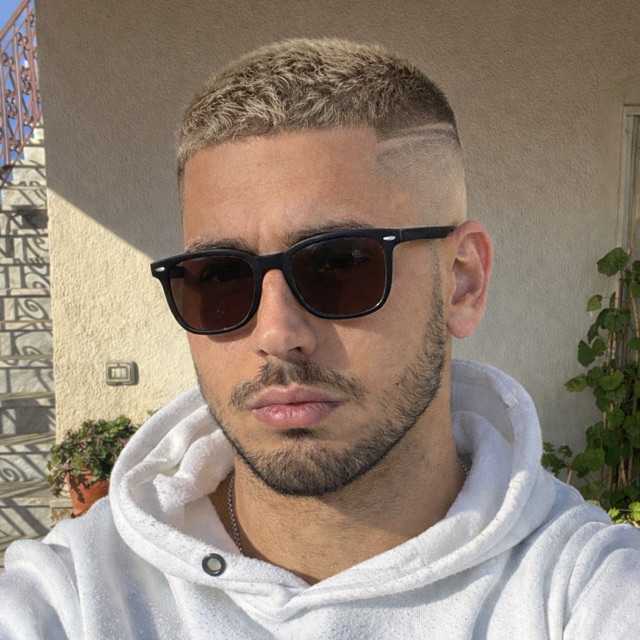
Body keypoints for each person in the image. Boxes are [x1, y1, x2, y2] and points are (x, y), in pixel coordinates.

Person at [1, 37, 638, 640]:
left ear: (462, 282)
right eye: (220, 277)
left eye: (340, 265)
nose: (278, 334)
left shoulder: (586, 592)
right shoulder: (72, 595)